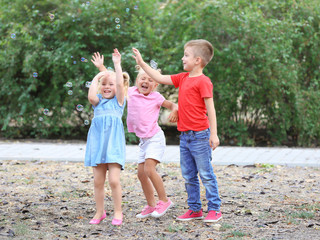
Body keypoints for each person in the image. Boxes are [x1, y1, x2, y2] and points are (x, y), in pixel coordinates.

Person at [132, 39, 222, 223]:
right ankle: (195, 209)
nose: (183, 58)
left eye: (186, 55)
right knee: (188, 175)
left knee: (205, 174)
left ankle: (214, 209)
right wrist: (141, 64)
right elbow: (159, 78)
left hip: (200, 135)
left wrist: (214, 133)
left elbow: (210, 109)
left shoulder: (204, 81)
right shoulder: (182, 78)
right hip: (185, 136)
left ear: (198, 60)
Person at [92, 53, 178, 219]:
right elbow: (114, 81)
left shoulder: (156, 97)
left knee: (149, 169)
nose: (145, 82)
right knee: (141, 174)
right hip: (143, 141)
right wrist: (101, 68)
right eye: (142, 79)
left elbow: (172, 104)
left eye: (150, 80)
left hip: (155, 137)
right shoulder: (130, 92)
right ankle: (151, 205)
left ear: (155, 85)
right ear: (136, 81)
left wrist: (175, 109)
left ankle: (164, 200)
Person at [85, 49, 129, 226]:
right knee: (98, 181)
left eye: (110, 84)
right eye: (104, 85)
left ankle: (118, 212)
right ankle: (100, 212)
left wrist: (116, 65)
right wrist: (98, 76)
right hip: (98, 145)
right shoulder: (97, 101)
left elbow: (118, 84)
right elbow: (91, 95)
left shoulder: (119, 101)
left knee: (114, 180)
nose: (107, 87)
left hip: (114, 145)